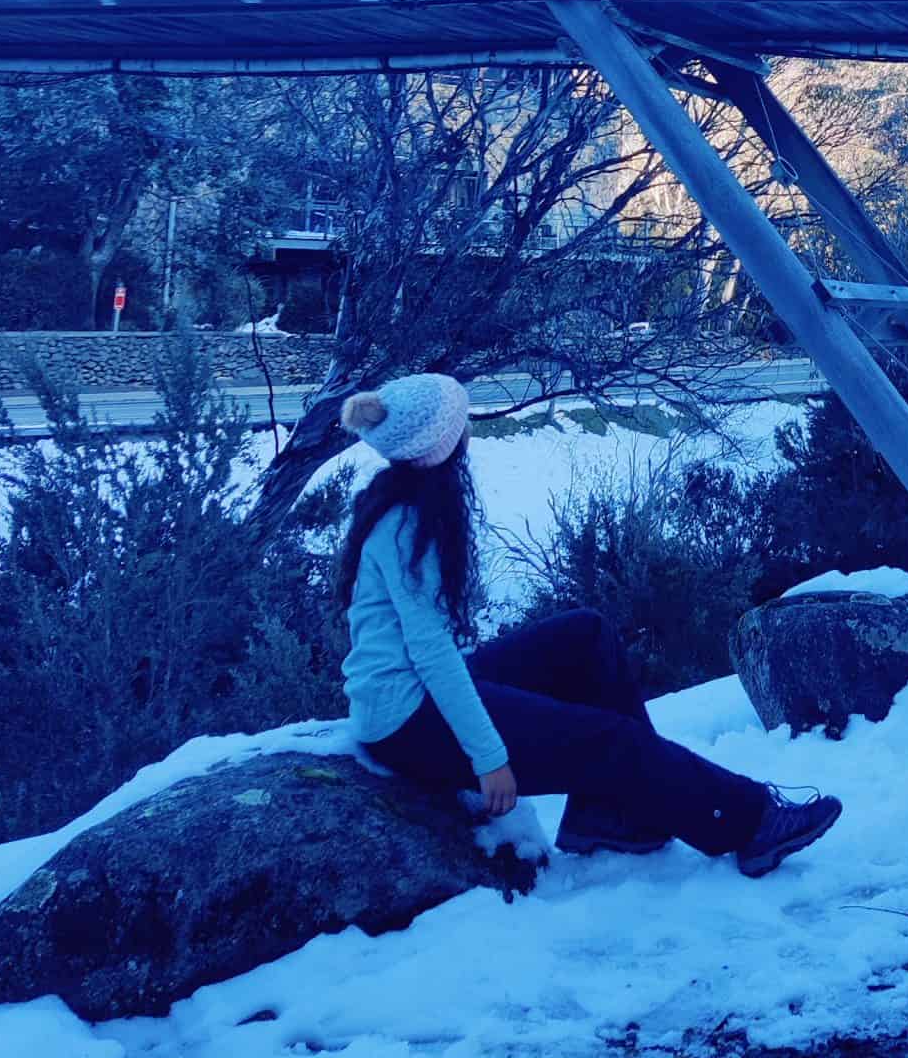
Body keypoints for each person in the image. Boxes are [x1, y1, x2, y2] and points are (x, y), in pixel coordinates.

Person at [338, 372, 840, 876]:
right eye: (459, 422)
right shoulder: (408, 525)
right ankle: (749, 823)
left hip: (409, 691)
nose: (467, 430)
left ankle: (617, 815)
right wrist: (488, 758)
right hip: (405, 719)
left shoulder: (405, 498)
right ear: (439, 446)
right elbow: (432, 653)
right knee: (610, 740)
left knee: (585, 635)